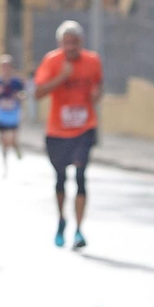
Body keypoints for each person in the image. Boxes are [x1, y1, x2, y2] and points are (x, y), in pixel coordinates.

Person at [33, 20, 102, 249]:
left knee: (81, 176)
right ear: (60, 43)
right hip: (57, 131)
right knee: (61, 178)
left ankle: (80, 230)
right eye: (66, 43)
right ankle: (62, 220)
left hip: (84, 127)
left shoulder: (92, 61)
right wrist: (62, 77)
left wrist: (95, 94)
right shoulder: (52, 61)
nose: (71, 47)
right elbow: (38, 93)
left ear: (81, 42)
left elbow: (98, 85)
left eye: (74, 42)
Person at [0, 55, 26, 174]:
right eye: (3, 66)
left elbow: (23, 96)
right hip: (2, 115)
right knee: (4, 141)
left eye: (7, 66)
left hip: (13, 114)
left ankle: (16, 149)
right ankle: (5, 164)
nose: (5, 68)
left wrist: (18, 97)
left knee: (13, 139)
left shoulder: (16, 82)